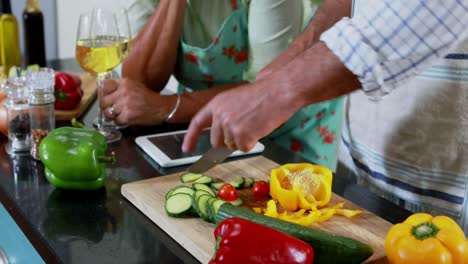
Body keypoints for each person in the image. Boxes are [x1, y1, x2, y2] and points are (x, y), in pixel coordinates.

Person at [182, 0, 468, 230]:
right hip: (363, 163)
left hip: (450, 181)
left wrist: (277, 91)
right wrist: (293, 58)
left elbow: (434, 7)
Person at [102, 0, 345, 170]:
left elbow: (266, 90)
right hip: (197, 127)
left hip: (286, 130)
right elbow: (140, 81)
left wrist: (164, 107)